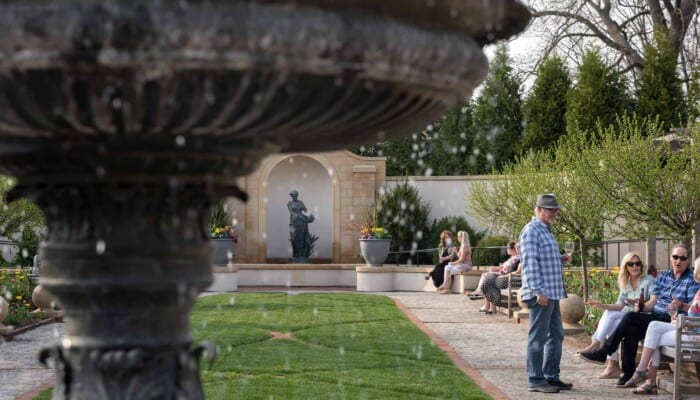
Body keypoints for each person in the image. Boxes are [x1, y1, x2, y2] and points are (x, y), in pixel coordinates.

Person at [580, 243, 700, 387]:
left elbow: (694, 309)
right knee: (632, 330)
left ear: (688, 260)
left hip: (673, 319)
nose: (678, 261)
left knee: (630, 317)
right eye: (675, 257)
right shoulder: (664, 276)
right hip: (656, 314)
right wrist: (642, 306)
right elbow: (653, 302)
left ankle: (605, 351)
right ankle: (629, 372)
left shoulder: (691, 280)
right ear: (671, 258)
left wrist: (680, 304)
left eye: (682, 258)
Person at [620, 257, 700, 395]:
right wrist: (679, 318)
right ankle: (644, 374)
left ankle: (647, 379)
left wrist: (685, 321)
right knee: (654, 326)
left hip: (694, 334)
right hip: (687, 328)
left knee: (654, 337)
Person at [520, 193, 573, 393]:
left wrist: (561, 259)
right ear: (540, 209)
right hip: (541, 294)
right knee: (538, 337)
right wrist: (537, 290)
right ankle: (536, 379)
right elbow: (530, 263)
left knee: (556, 334)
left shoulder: (545, 230)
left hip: (551, 293)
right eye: (551, 210)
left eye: (556, 210)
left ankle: (551, 376)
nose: (555, 213)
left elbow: (542, 259)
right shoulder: (531, 231)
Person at [580, 252, 655, 379]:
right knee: (611, 316)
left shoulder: (648, 281)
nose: (635, 266)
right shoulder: (625, 282)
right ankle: (610, 363)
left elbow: (654, 301)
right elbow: (620, 305)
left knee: (613, 320)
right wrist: (601, 305)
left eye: (638, 263)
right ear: (626, 267)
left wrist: (641, 304)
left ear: (642, 266)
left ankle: (601, 352)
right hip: (627, 316)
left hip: (641, 318)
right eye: (631, 264)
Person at [475, 242, 520, 315]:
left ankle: (483, 296)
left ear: (514, 249)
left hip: (509, 280)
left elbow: (514, 271)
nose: (506, 249)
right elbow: (505, 268)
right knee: (489, 279)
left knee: (490, 280)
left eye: (508, 248)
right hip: (505, 277)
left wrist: (502, 273)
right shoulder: (513, 258)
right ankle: (489, 306)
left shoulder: (517, 259)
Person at [287, 190, 314, 262]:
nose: (292, 197)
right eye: (291, 195)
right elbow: (292, 212)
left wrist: (311, 216)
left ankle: (300, 255)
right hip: (293, 222)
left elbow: (306, 211)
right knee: (293, 239)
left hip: (302, 223)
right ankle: (295, 255)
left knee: (301, 238)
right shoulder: (289, 203)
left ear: (296, 195)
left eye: (293, 195)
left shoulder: (301, 203)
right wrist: (300, 216)